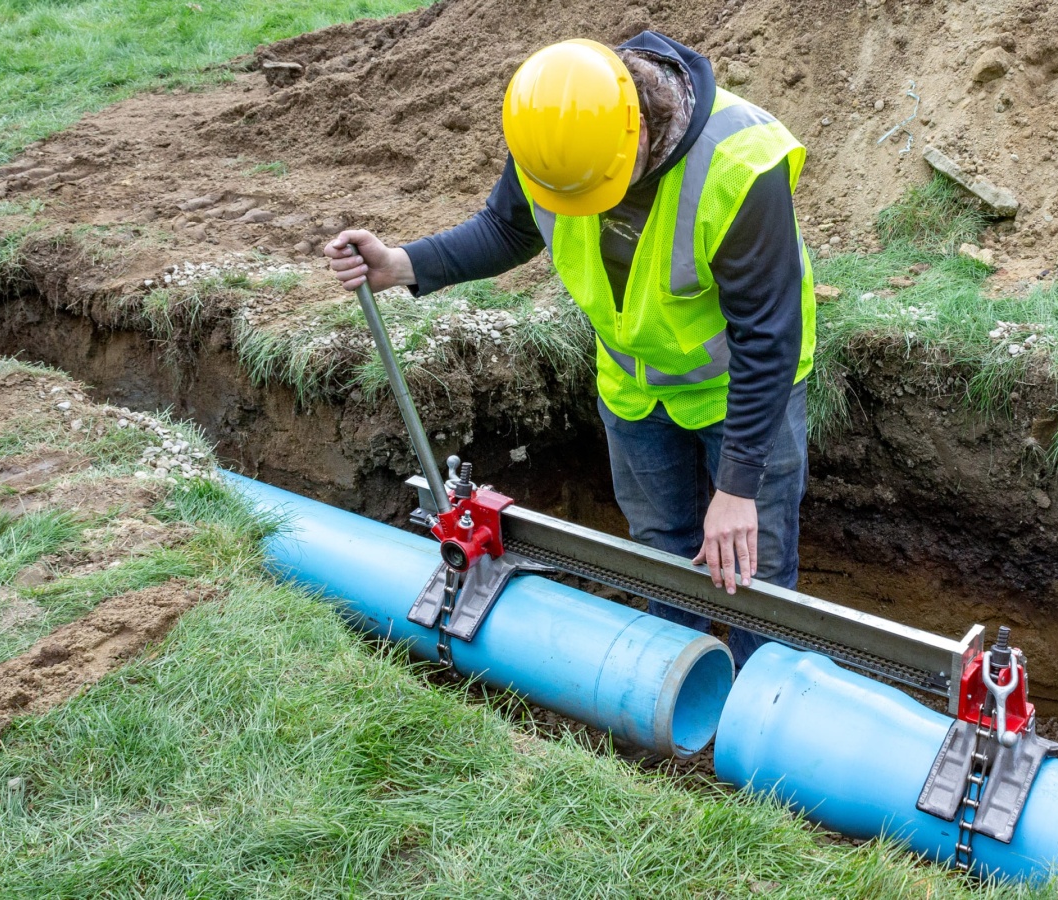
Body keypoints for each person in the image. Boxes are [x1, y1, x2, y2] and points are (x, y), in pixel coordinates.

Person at [324, 31, 814, 667]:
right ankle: (672, 696)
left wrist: (740, 485)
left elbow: (767, 335)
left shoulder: (740, 164)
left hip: (744, 392)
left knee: (757, 571)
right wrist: (401, 265)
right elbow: (507, 226)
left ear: (636, 133)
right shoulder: (554, 130)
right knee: (662, 551)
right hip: (636, 389)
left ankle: (766, 729)